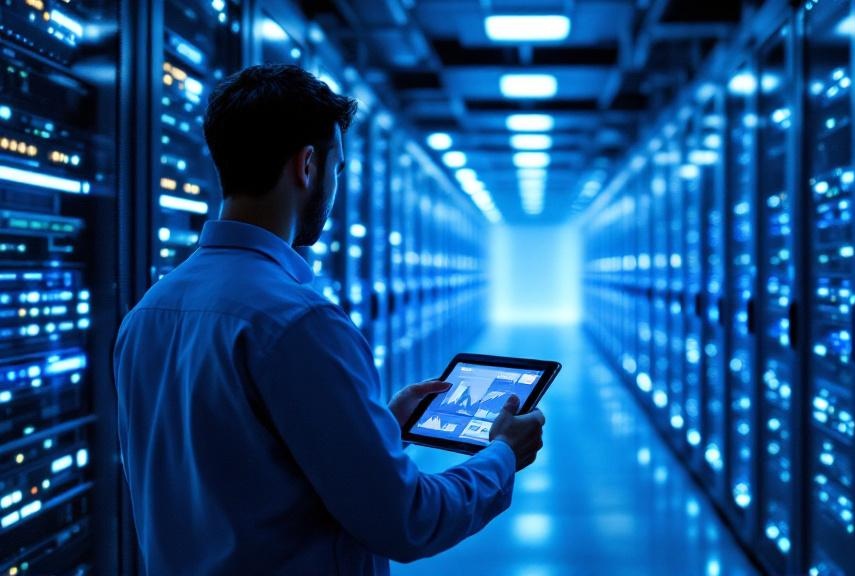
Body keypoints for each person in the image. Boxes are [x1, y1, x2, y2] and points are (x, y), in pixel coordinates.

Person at [114, 64, 546, 575]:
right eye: (337, 169)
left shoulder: (148, 312)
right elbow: (407, 520)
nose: (335, 187)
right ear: (308, 166)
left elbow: (242, 469)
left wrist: (378, 425)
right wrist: (501, 456)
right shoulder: (299, 322)